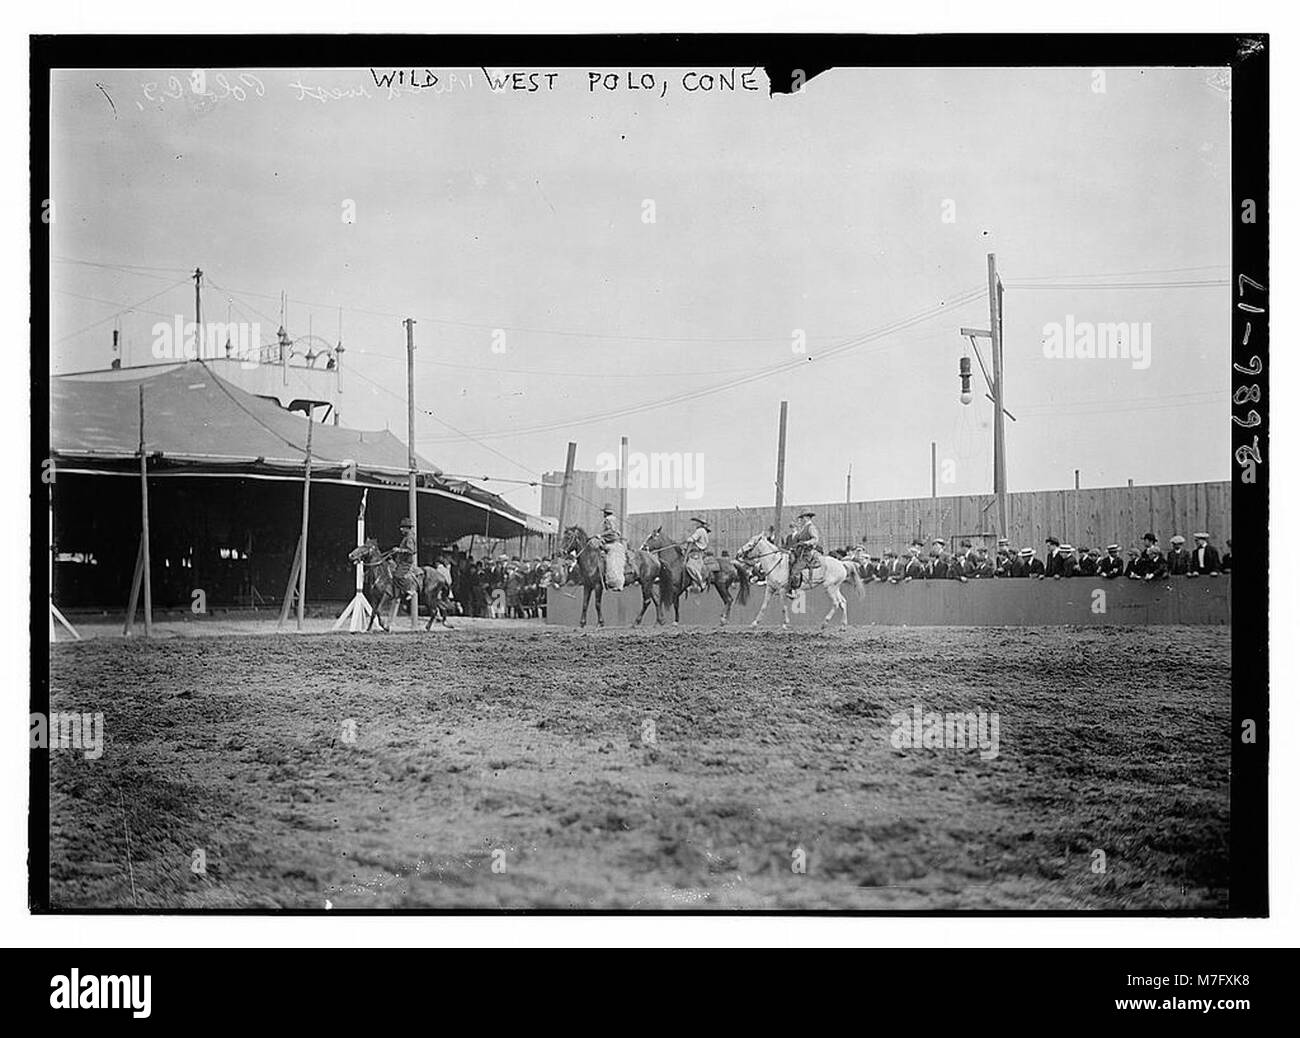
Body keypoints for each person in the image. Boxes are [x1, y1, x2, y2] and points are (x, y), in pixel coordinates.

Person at [391, 517, 421, 612]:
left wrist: (398, 550)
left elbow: (411, 551)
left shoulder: (409, 538)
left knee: (397, 575)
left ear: (407, 528)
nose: (401, 529)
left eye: (402, 527)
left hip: (406, 561)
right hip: (402, 560)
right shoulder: (407, 537)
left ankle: (410, 590)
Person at [789, 510, 821, 589]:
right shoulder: (803, 528)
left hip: (806, 554)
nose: (801, 520)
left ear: (807, 518)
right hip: (799, 552)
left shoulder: (811, 527)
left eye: (802, 518)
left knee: (795, 570)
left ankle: (794, 590)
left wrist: (806, 543)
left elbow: (815, 539)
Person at [684, 516, 711, 592]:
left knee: (689, 566)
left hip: (697, 552)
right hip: (698, 552)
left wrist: (688, 539)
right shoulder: (703, 531)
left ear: (700, 523)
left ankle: (701, 582)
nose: (695, 523)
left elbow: (692, 539)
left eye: (697, 522)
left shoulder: (700, 530)